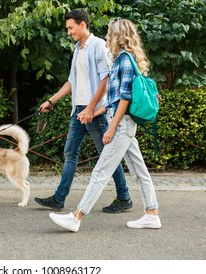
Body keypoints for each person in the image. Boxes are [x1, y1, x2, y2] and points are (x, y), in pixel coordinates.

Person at [48, 18, 162, 232]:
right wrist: (90, 112)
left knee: (100, 172)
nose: (107, 37)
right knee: (140, 171)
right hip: (124, 125)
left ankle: (76, 216)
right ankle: (151, 213)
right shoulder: (120, 60)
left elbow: (125, 98)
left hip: (122, 126)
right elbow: (113, 101)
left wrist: (111, 128)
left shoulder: (125, 60)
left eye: (110, 33)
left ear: (119, 36)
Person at [34, 9, 132, 213]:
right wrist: (50, 101)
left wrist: (90, 108)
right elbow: (72, 81)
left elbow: (106, 79)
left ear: (83, 25)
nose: (69, 32)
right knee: (70, 152)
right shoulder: (78, 49)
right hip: (78, 111)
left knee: (106, 155)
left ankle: (124, 197)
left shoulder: (98, 46)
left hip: (94, 112)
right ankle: (59, 199)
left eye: (71, 28)